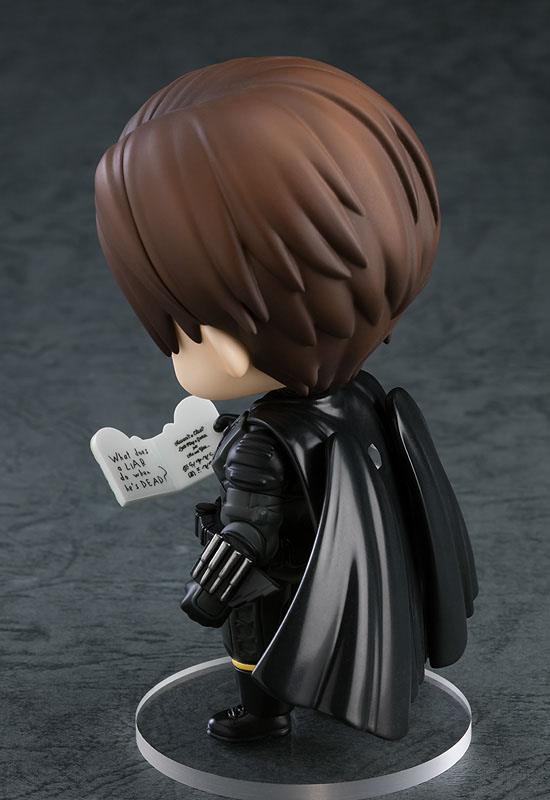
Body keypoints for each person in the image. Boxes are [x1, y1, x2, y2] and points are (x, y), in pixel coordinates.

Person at [95, 56, 477, 743]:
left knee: (253, 637)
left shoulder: (262, 442)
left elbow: (248, 531)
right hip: (357, 579)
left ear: (230, 344)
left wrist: (206, 593)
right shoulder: (363, 398)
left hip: (282, 578)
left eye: (179, 328)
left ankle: (264, 712)